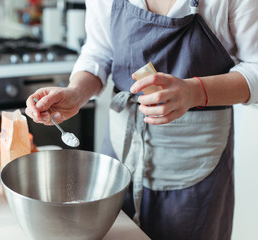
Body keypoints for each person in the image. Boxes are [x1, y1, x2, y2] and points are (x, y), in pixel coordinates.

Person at [25, 0, 258, 239]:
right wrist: (76, 92)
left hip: (198, 162)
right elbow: (100, 50)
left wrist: (194, 92)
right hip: (121, 151)